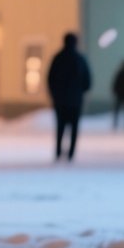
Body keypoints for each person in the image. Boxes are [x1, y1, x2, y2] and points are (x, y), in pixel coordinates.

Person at [47, 33, 91, 161]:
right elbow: (87, 81)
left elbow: (50, 79)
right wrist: (79, 92)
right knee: (74, 128)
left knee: (60, 127)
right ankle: (71, 153)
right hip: (75, 101)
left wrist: (54, 94)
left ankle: (58, 152)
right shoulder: (80, 59)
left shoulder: (58, 58)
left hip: (60, 101)